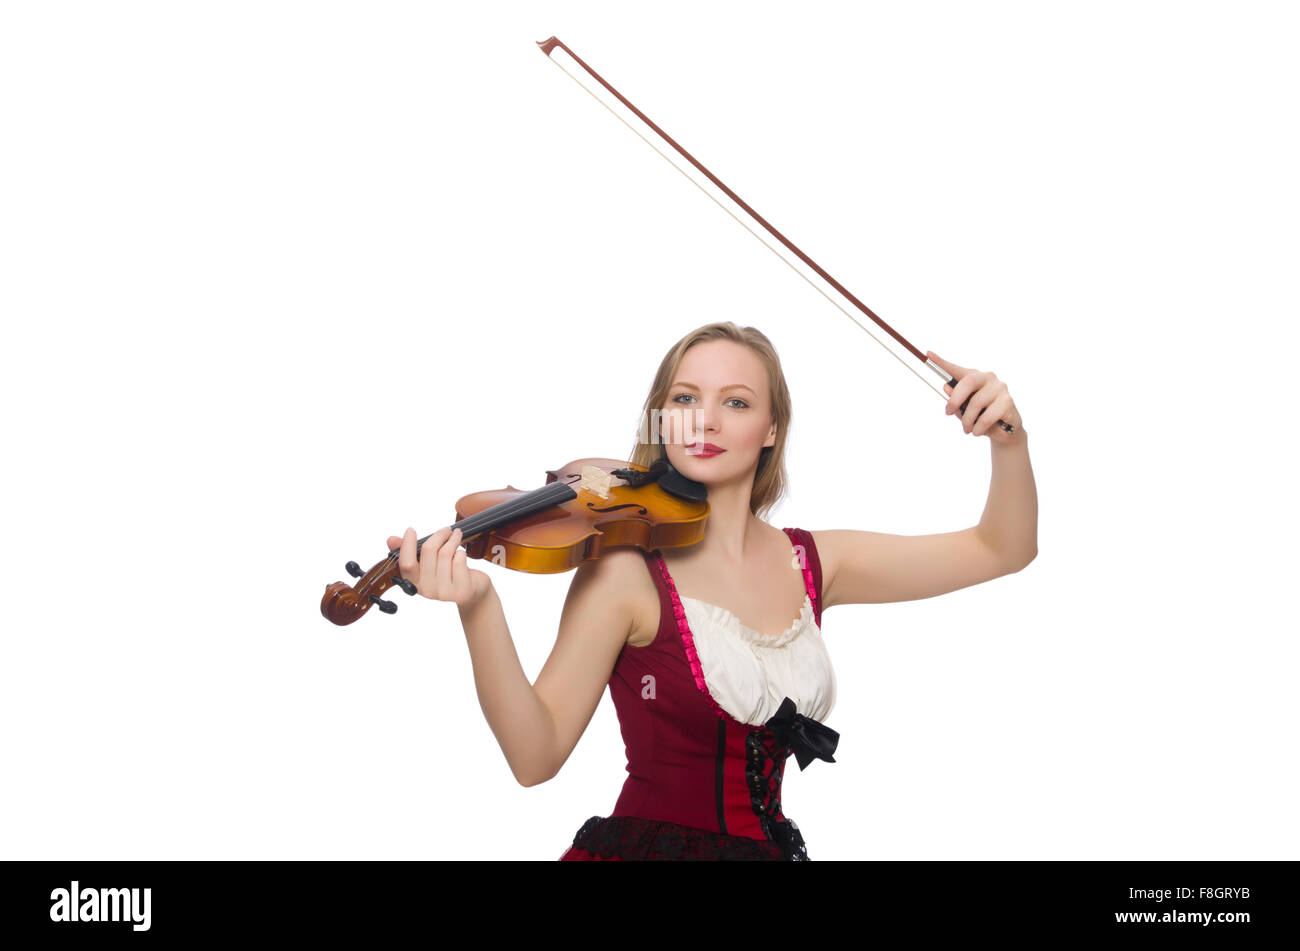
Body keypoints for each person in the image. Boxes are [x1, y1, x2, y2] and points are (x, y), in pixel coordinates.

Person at [389, 322, 1037, 860]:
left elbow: (1001, 548)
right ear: (661, 418)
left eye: (736, 401)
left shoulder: (815, 560)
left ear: (772, 428)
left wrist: (1008, 439)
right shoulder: (624, 571)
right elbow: (536, 755)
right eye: (683, 398)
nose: (705, 418)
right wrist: (479, 607)